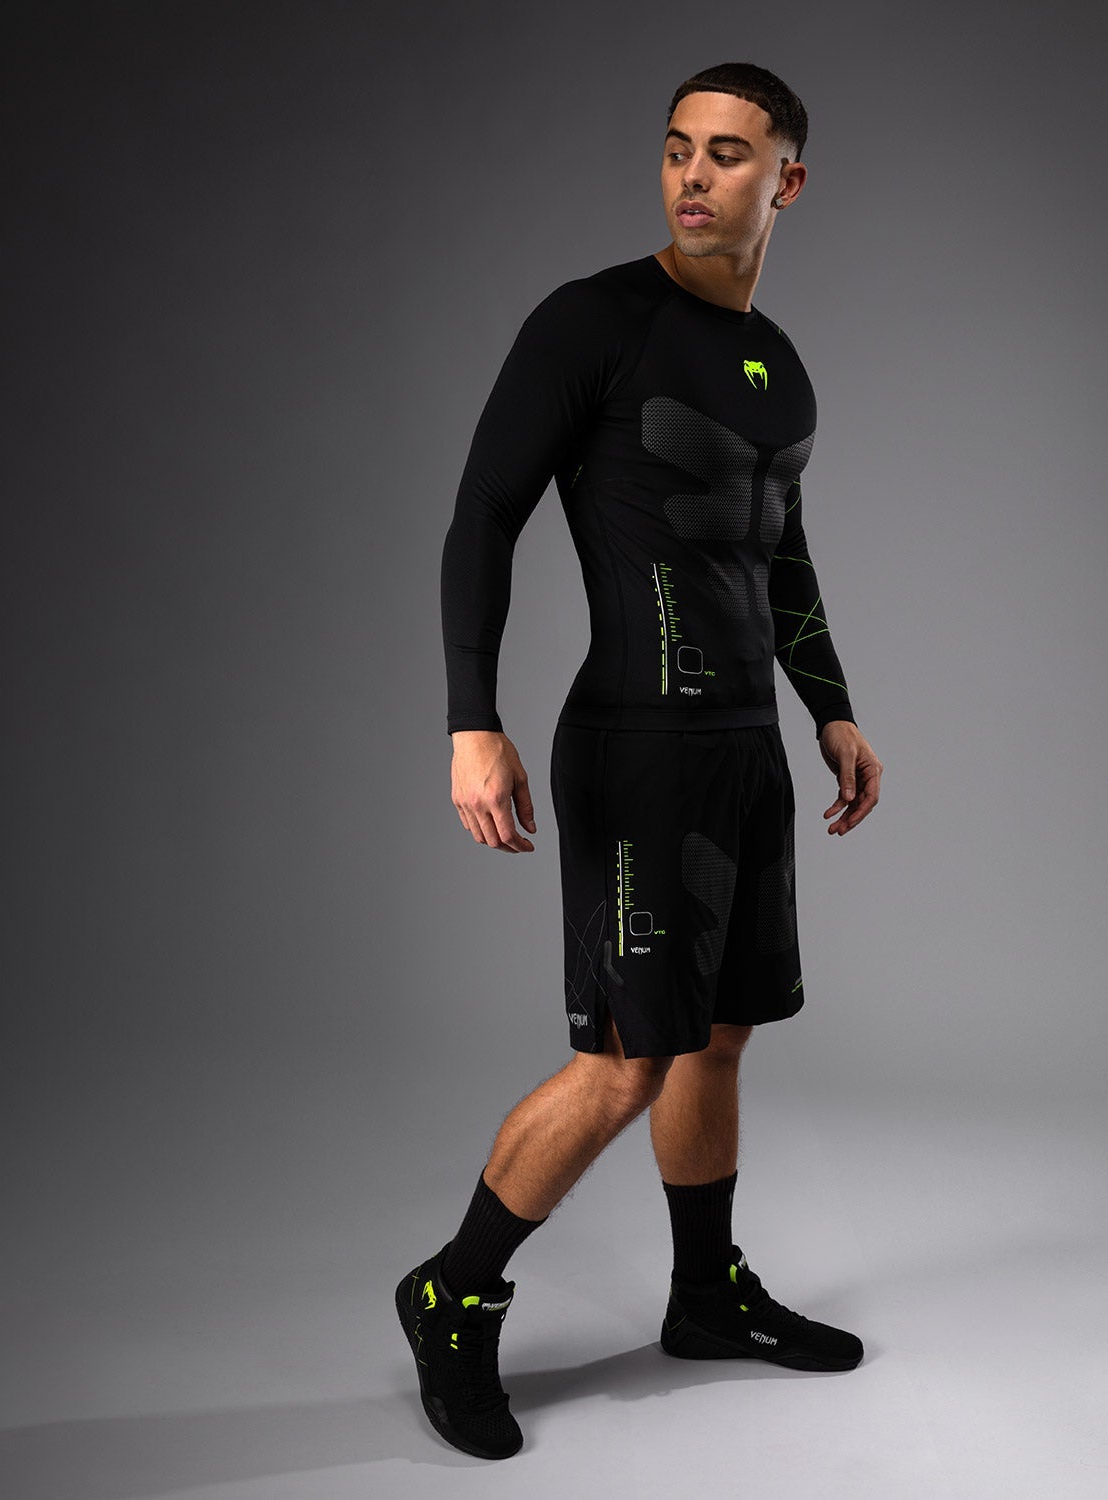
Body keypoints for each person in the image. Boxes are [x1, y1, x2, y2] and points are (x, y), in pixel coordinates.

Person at [398, 61, 884, 1460]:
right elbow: (482, 513)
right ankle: (452, 1292)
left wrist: (831, 708)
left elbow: (779, 549)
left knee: (718, 1040)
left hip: (742, 747)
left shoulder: (775, 357)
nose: (693, 176)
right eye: (677, 149)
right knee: (626, 1059)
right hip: (637, 745)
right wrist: (470, 719)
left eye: (728, 154)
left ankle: (706, 1295)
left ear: (787, 180)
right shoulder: (594, 321)